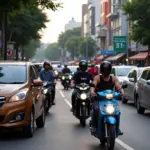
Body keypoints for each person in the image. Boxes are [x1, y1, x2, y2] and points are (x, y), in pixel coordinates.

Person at [90, 61, 124, 135]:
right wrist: (92, 92)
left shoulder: (113, 78)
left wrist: (121, 91)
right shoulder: (98, 78)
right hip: (99, 99)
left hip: (110, 100)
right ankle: (94, 127)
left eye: (107, 69)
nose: (106, 71)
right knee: (95, 110)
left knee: (117, 111)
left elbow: (118, 86)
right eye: (104, 69)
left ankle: (117, 128)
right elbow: (93, 85)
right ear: (101, 70)